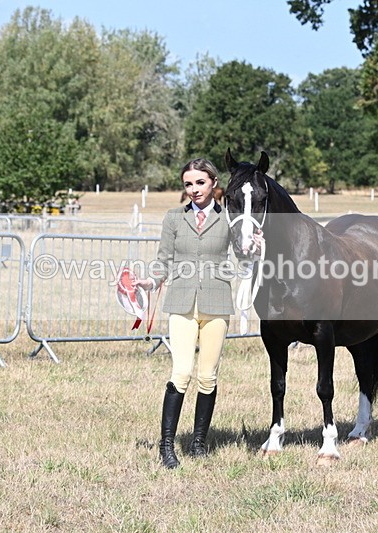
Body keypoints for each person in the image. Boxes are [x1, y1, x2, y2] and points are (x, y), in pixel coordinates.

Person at [136, 158, 259, 469]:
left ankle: (199, 443)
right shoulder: (174, 218)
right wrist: (150, 282)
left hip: (217, 304)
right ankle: (167, 446)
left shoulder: (228, 218)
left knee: (208, 377)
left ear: (214, 183)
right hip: (181, 304)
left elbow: (242, 256)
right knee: (180, 373)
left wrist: (255, 247)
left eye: (200, 183)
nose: (194, 189)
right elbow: (163, 260)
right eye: (188, 184)